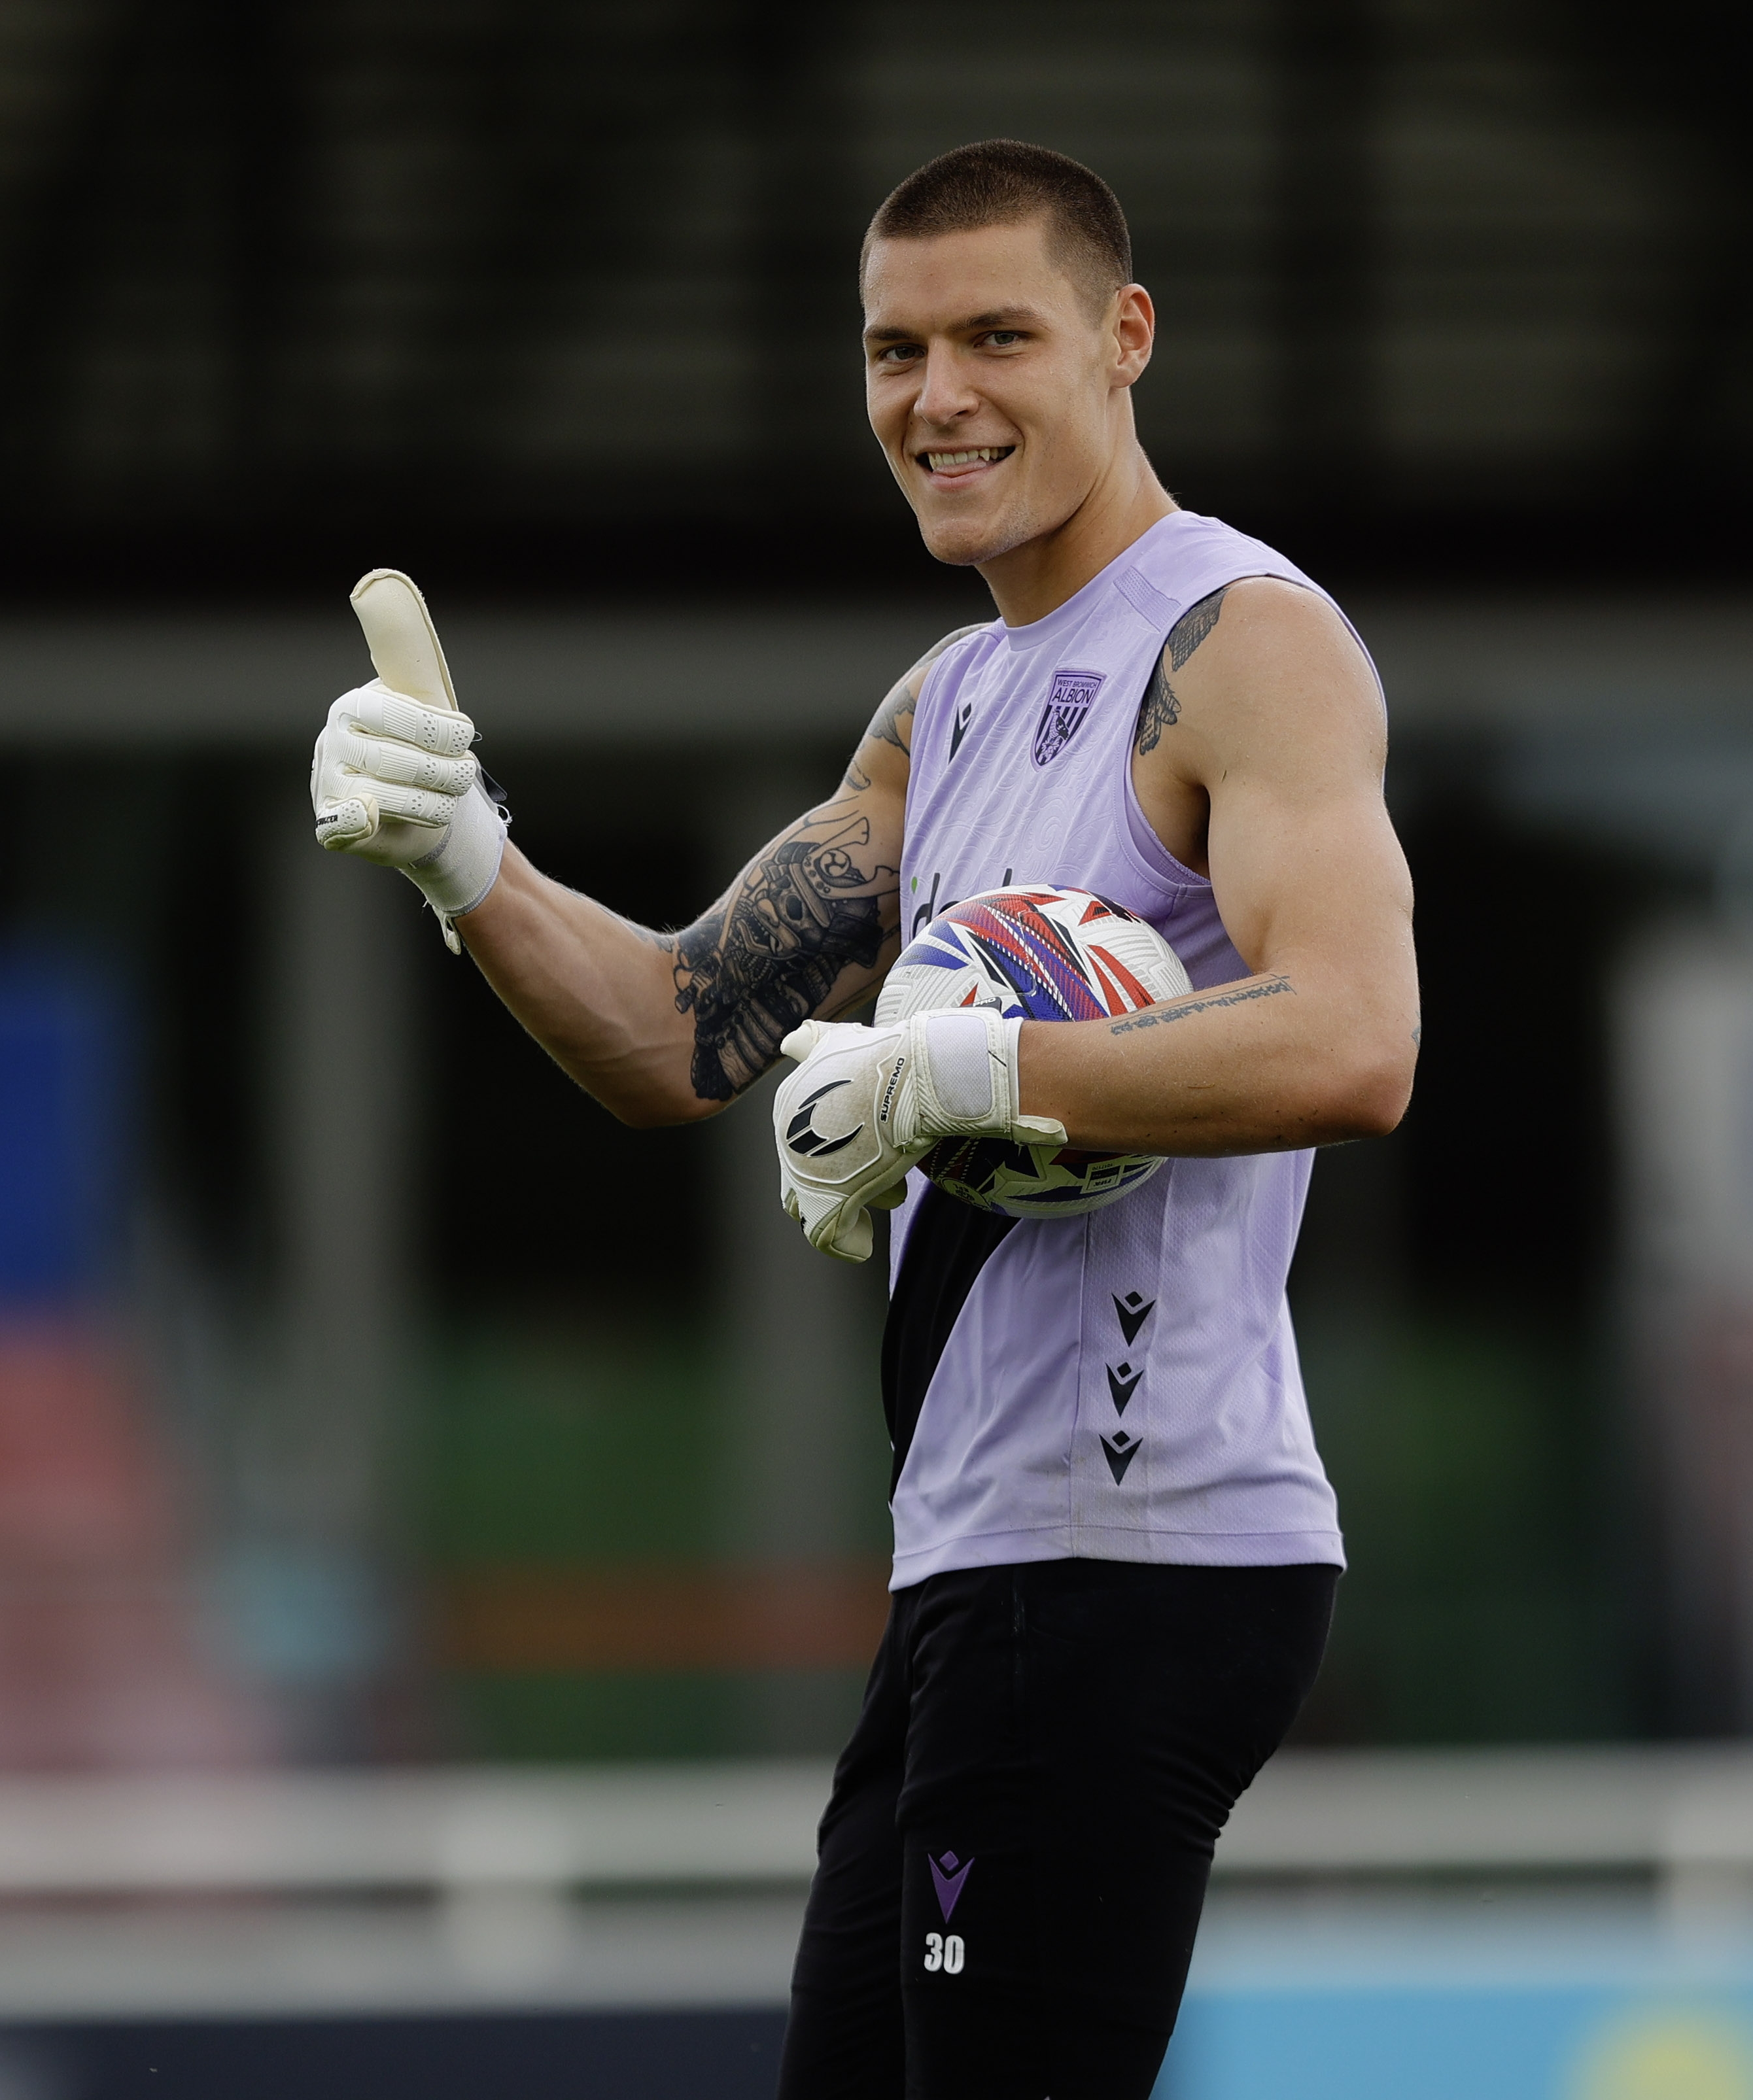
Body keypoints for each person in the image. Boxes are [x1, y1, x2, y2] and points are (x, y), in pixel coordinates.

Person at [307, 139, 1417, 2099]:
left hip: (1132, 1559)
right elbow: (674, 1029)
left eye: (999, 335)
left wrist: (974, 1073)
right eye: (894, 349)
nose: (938, 396)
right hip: (979, 1570)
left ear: (1124, 337)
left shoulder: (1239, 640)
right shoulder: (947, 701)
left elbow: (1354, 1036)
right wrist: (461, 852)